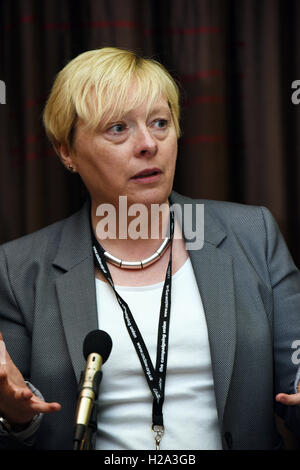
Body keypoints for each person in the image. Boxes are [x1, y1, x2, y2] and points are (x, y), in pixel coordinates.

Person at [0, 47, 300, 451]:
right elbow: (17, 420)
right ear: (67, 151)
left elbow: (293, 388)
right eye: (118, 129)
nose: (148, 144)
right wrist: (15, 417)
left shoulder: (253, 235)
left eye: (160, 122)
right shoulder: (18, 270)